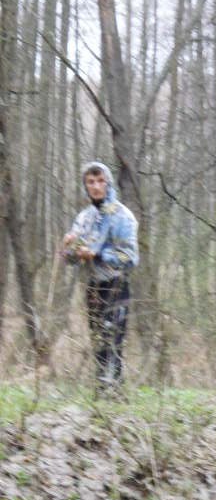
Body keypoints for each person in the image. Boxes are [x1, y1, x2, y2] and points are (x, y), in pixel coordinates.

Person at [61, 161, 139, 390]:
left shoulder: (122, 216)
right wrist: (69, 248)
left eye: (100, 181)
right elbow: (70, 258)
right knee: (98, 339)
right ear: (85, 186)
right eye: (90, 182)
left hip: (117, 284)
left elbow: (131, 257)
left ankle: (112, 391)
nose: (95, 186)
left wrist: (98, 254)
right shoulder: (84, 217)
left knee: (113, 339)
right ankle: (103, 390)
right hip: (93, 286)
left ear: (108, 182)